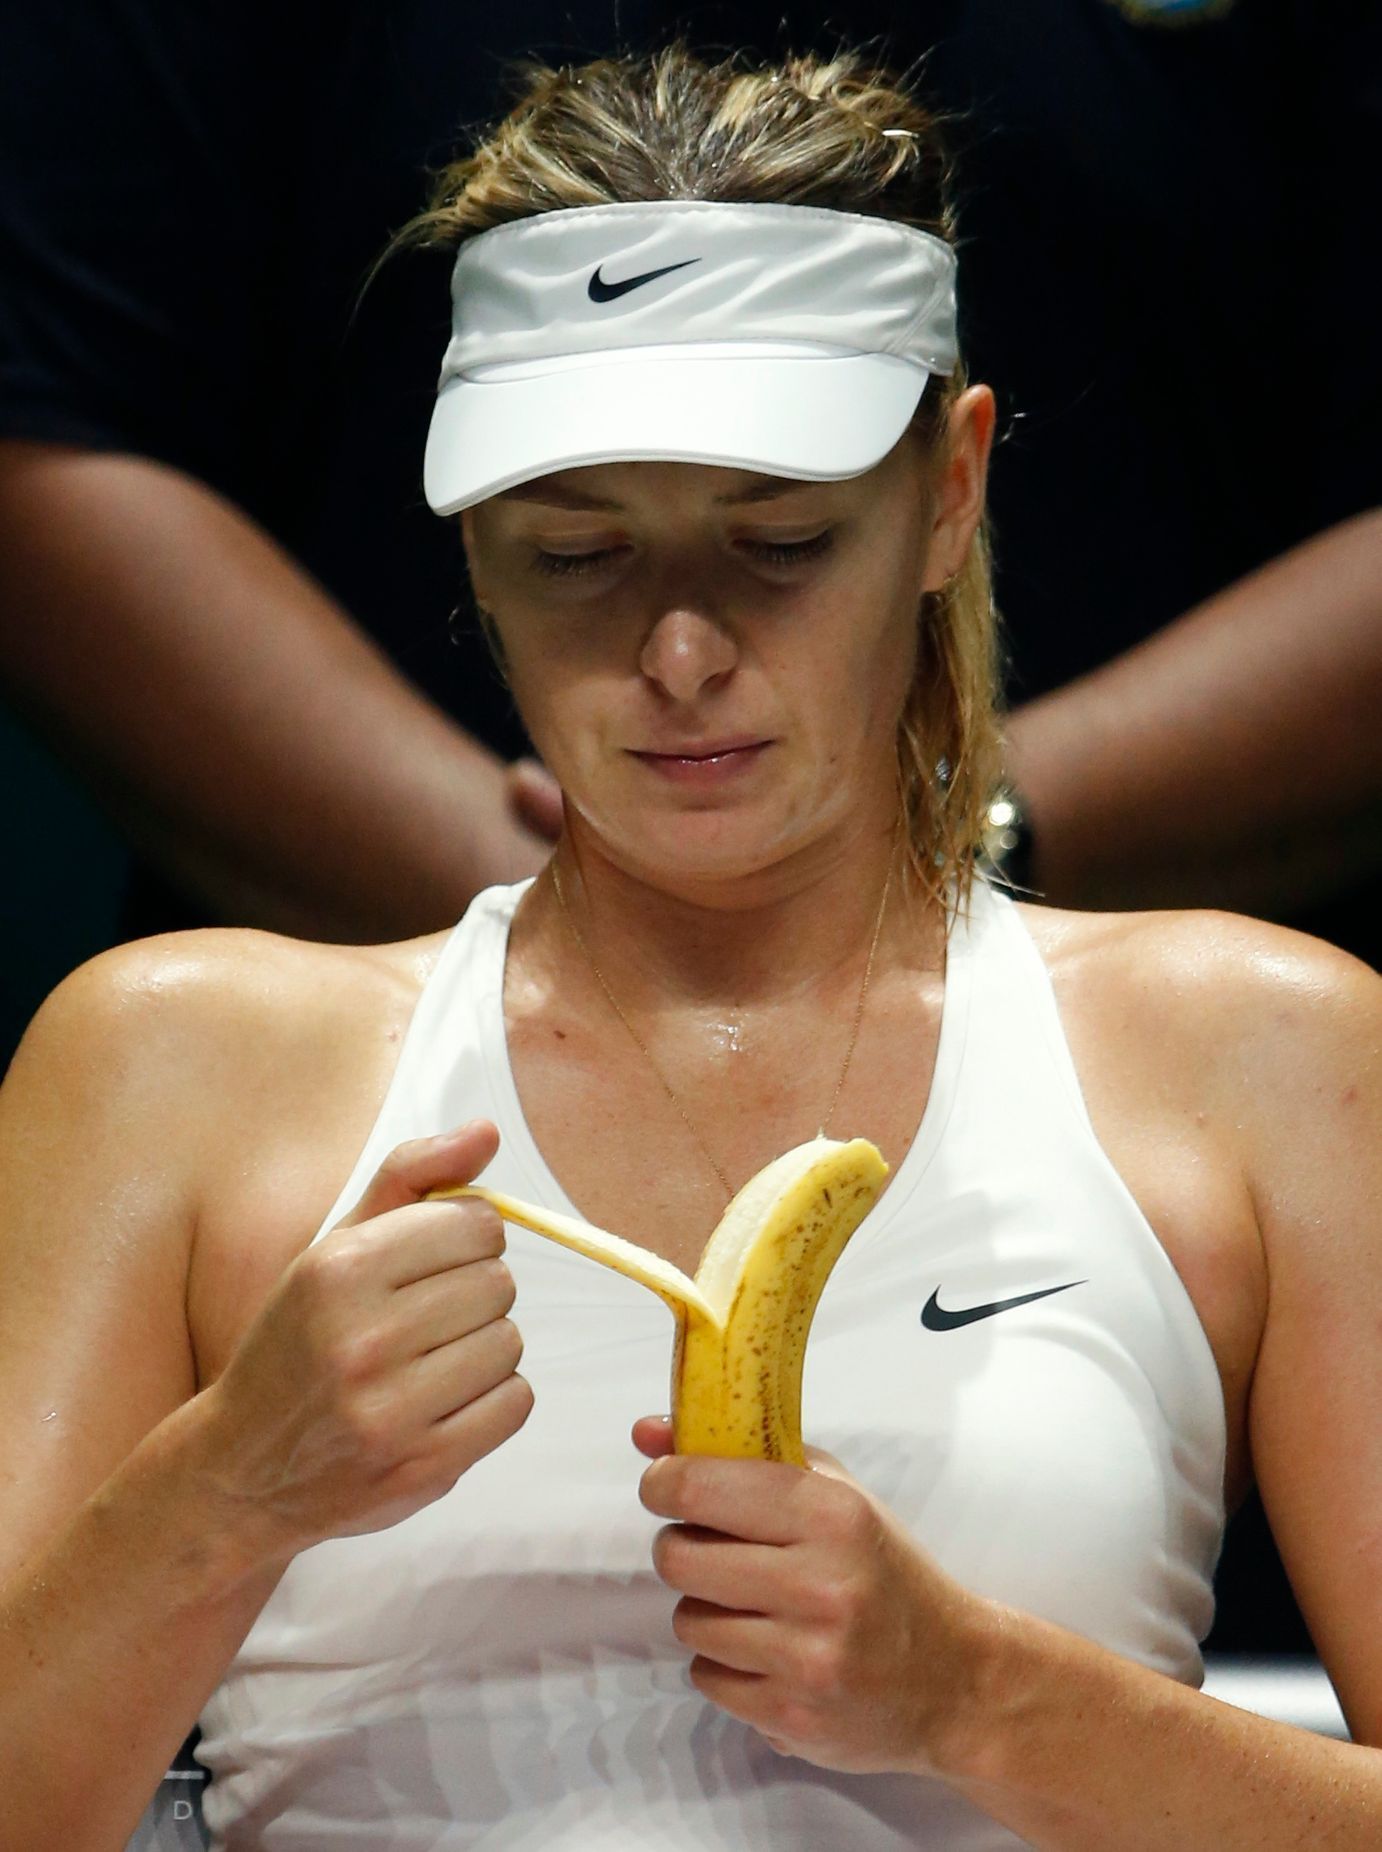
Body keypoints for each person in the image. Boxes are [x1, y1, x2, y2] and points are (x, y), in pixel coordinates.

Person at [1, 42, 1378, 1851]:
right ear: (469, 540)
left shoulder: (1261, 1052)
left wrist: (979, 1697)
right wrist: (220, 1494)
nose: (675, 654)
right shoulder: (170, 1061)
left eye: (780, 543)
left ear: (949, 490)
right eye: (573, 554)